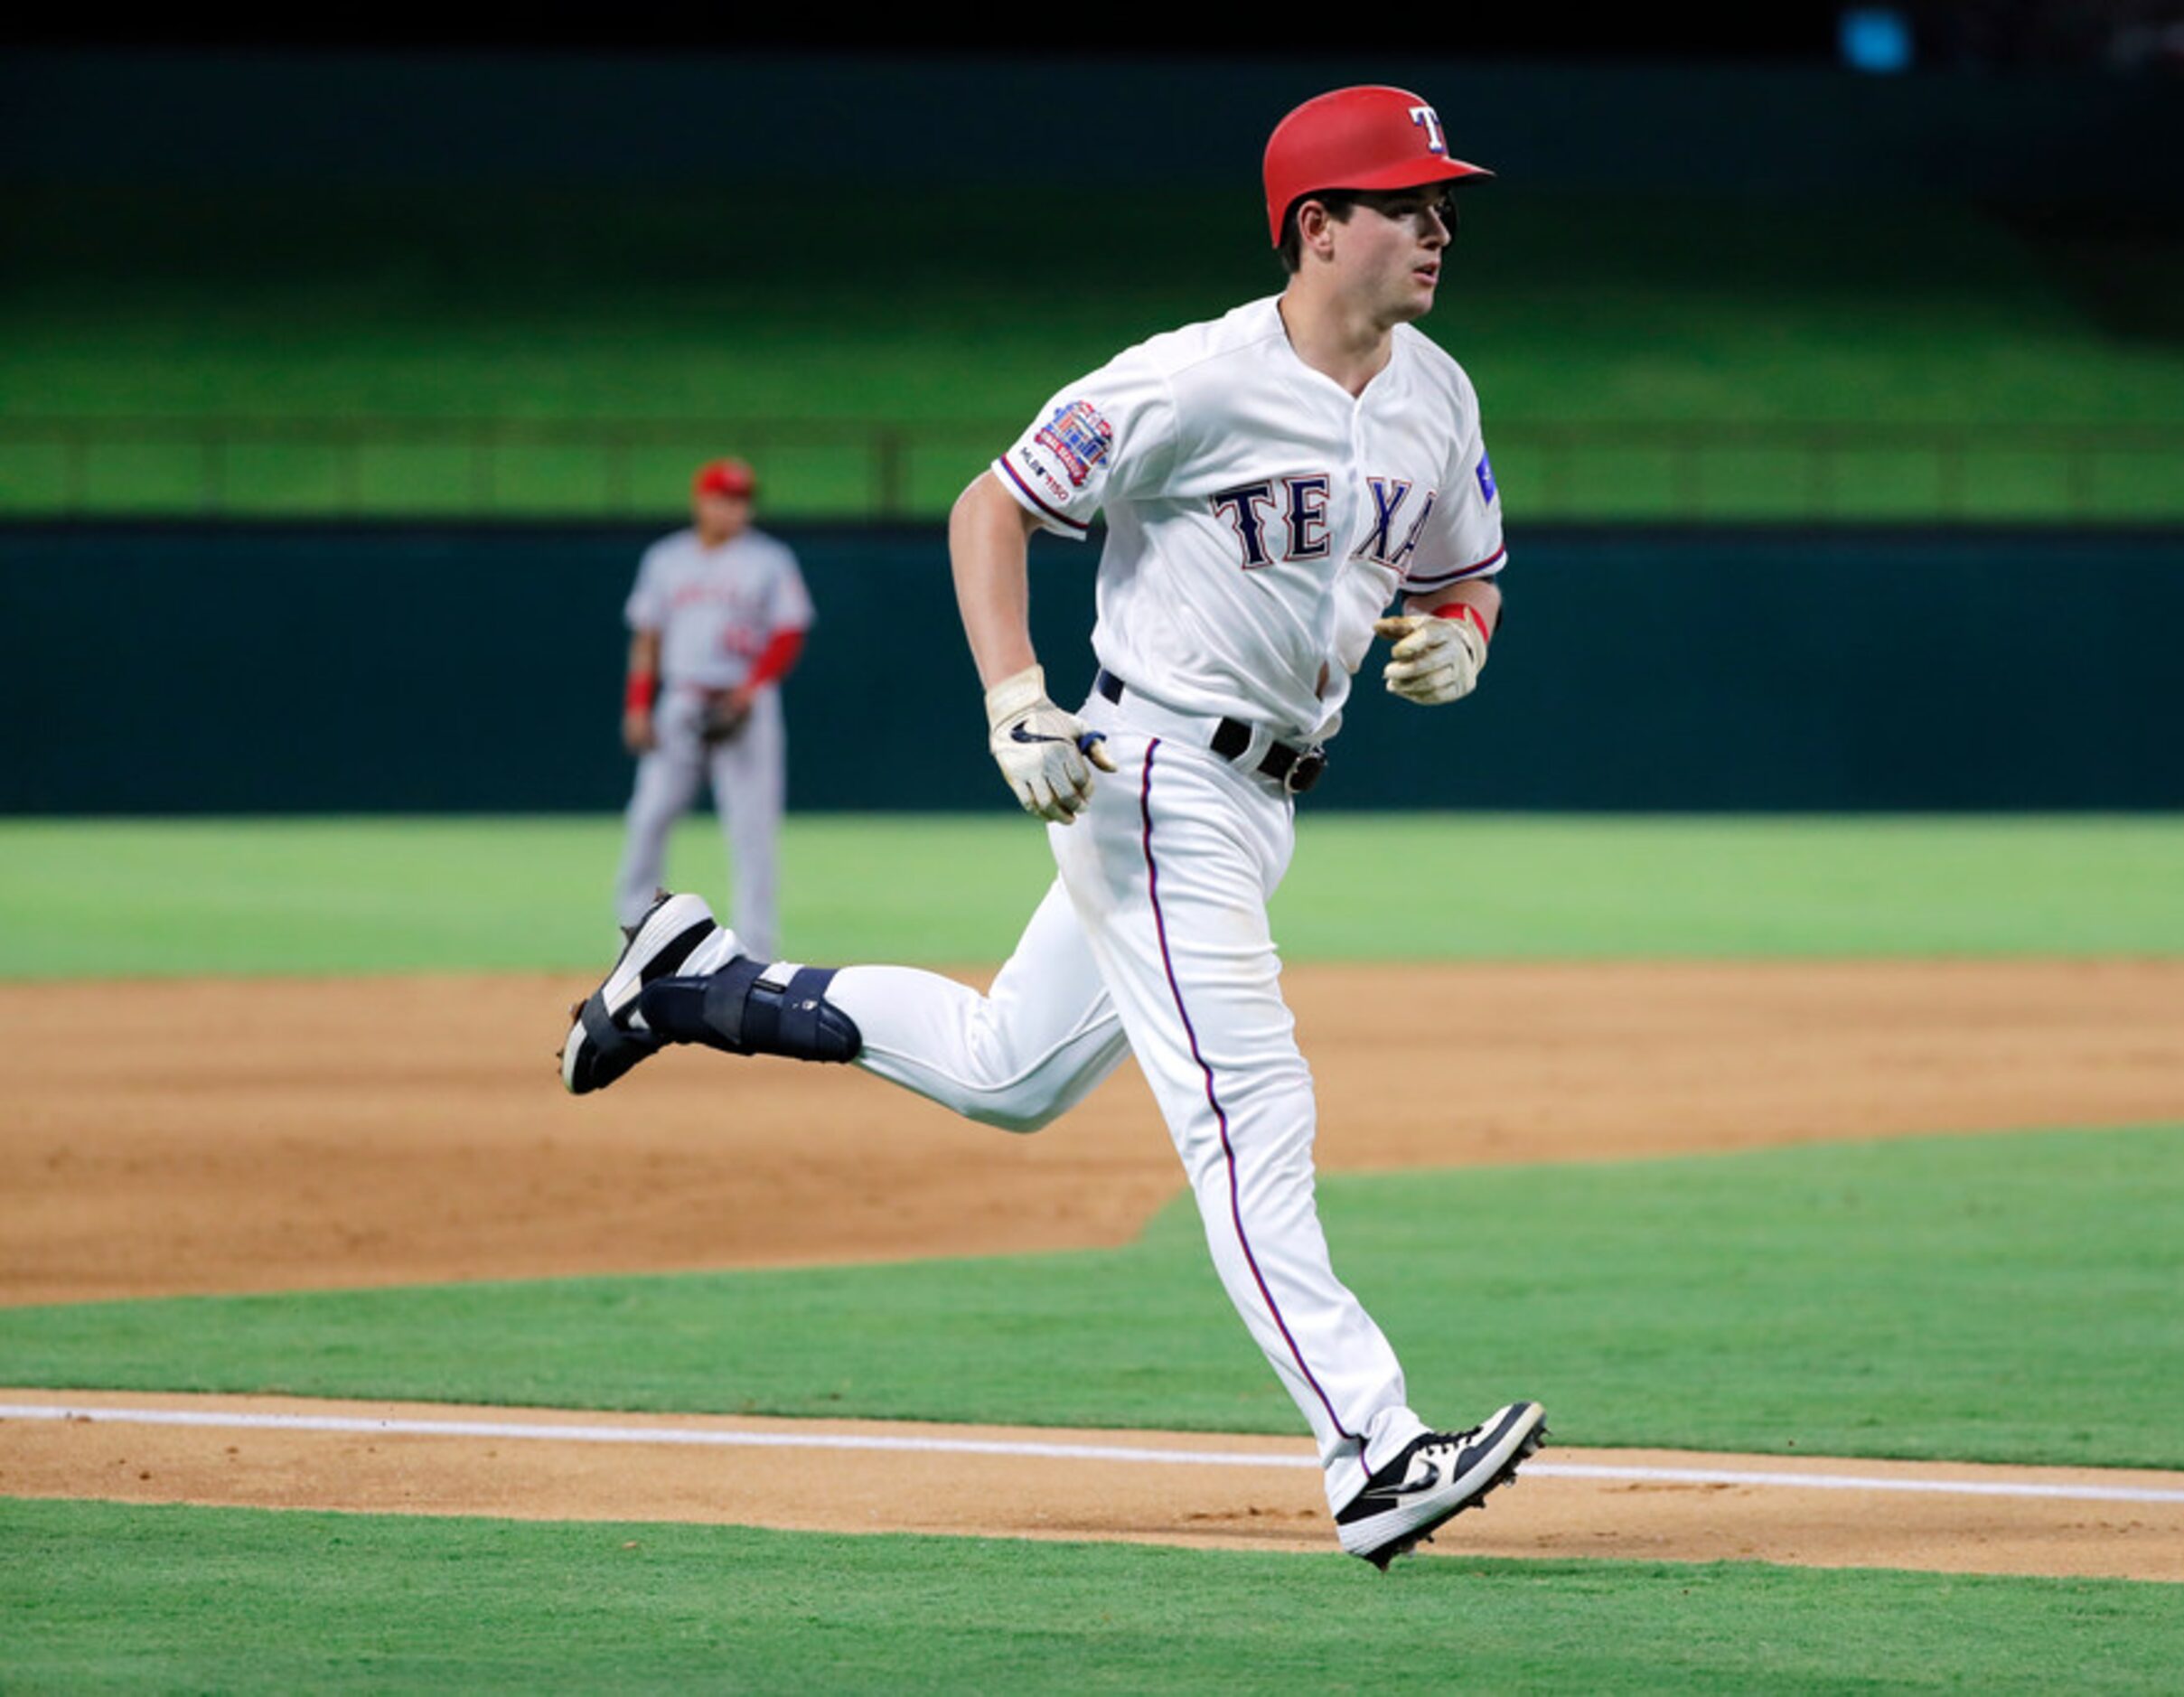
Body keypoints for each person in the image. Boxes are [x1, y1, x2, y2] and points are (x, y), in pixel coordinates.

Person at [559, 85, 1543, 1570]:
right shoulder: (1190, 380)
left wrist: (1464, 632)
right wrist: (1017, 694)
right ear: (1316, 224)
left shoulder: (1435, 393)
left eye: (1439, 199)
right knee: (1248, 1106)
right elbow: (992, 504)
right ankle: (1372, 1448)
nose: (1437, 224)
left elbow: (1468, 570)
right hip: (1149, 777)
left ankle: (698, 977)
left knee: (1010, 1067)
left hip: (1264, 799)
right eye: (1405, 201)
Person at [611, 457, 813, 960]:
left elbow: (789, 632)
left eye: (743, 499)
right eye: (726, 498)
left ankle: (757, 953)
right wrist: (638, 705)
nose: (736, 508)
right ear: (701, 501)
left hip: (744, 701)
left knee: (753, 831)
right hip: (681, 699)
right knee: (649, 816)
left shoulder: (769, 559)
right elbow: (648, 636)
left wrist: (751, 689)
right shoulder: (666, 559)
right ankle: (635, 935)